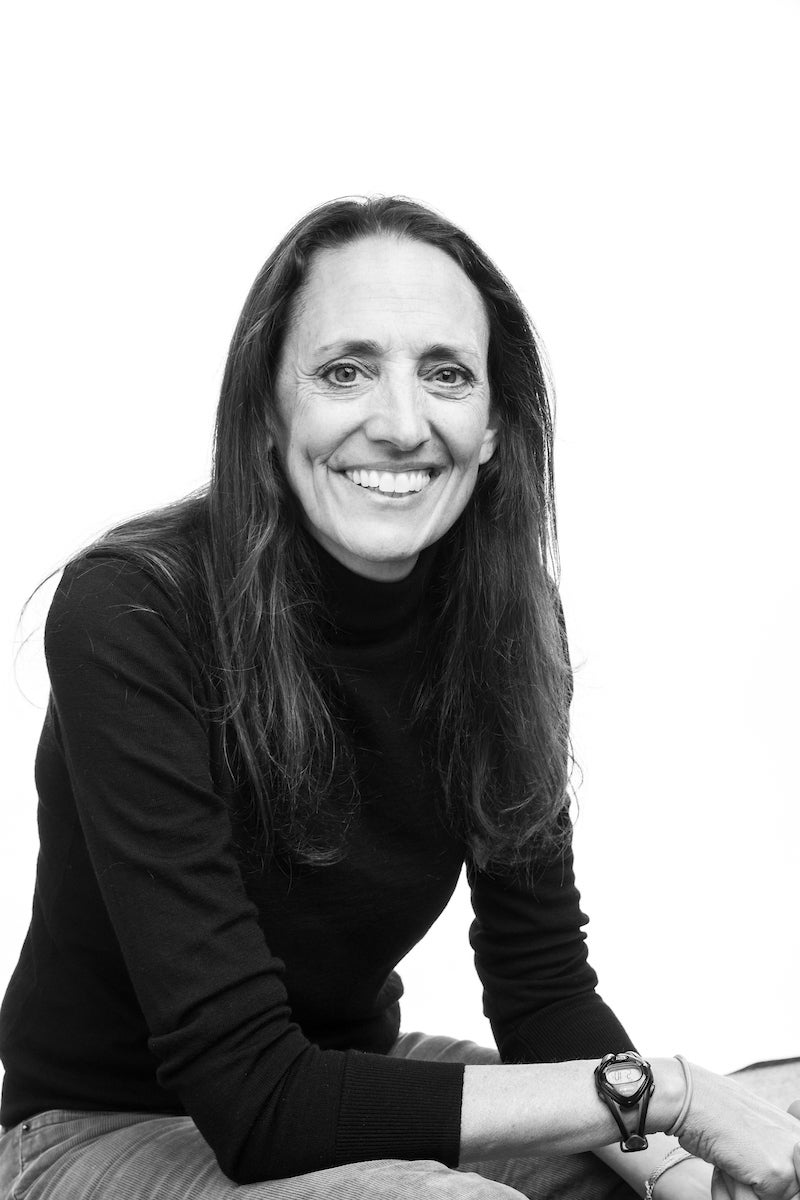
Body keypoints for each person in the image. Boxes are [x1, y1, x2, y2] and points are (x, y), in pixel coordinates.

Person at [0, 196, 798, 1200]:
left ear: (494, 424)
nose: (400, 422)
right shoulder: (134, 609)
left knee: (668, 1160)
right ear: (264, 411)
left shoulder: (505, 620)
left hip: (345, 1086)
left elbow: (543, 990)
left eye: (445, 374)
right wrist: (669, 1097)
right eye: (344, 370)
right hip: (104, 1128)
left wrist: (692, 1169)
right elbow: (256, 1104)